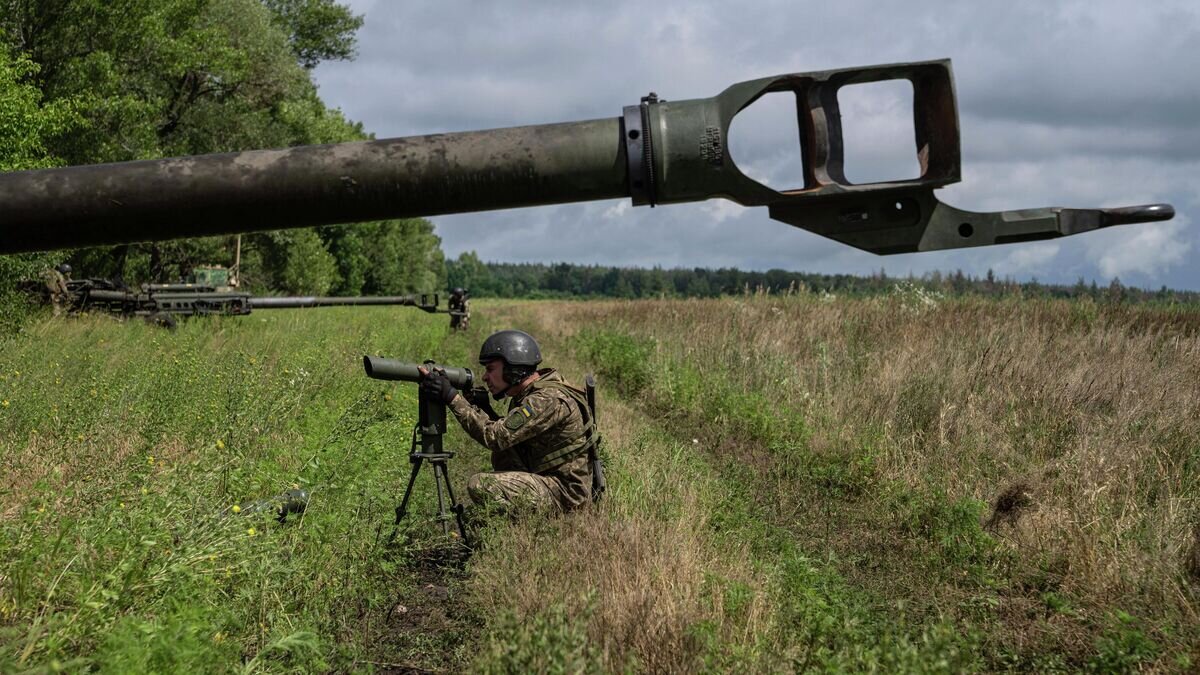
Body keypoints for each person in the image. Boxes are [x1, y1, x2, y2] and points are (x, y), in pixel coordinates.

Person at [420, 329, 595, 513]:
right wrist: (483, 407)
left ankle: (522, 521)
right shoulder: (531, 393)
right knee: (503, 453)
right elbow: (508, 435)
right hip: (550, 479)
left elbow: (495, 437)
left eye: (490, 369)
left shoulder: (545, 399)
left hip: (565, 494)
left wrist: (452, 397)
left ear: (513, 369)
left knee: (481, 484)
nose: (485, 377)